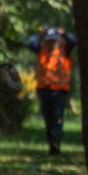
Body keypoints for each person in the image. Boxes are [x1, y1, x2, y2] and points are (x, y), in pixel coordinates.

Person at [26, 26, 77, 155]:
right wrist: (40, 33)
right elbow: (29, 42)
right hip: (44, 90)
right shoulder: (41, 49)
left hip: (60, 91)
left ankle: (56, 142)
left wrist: (64, 32)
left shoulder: (65, 49)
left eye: (53, 40)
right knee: (48, 119)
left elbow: (73, 40)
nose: (50, 43)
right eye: (48, 40)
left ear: (57, 40)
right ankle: (51, 142)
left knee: (57, 117)